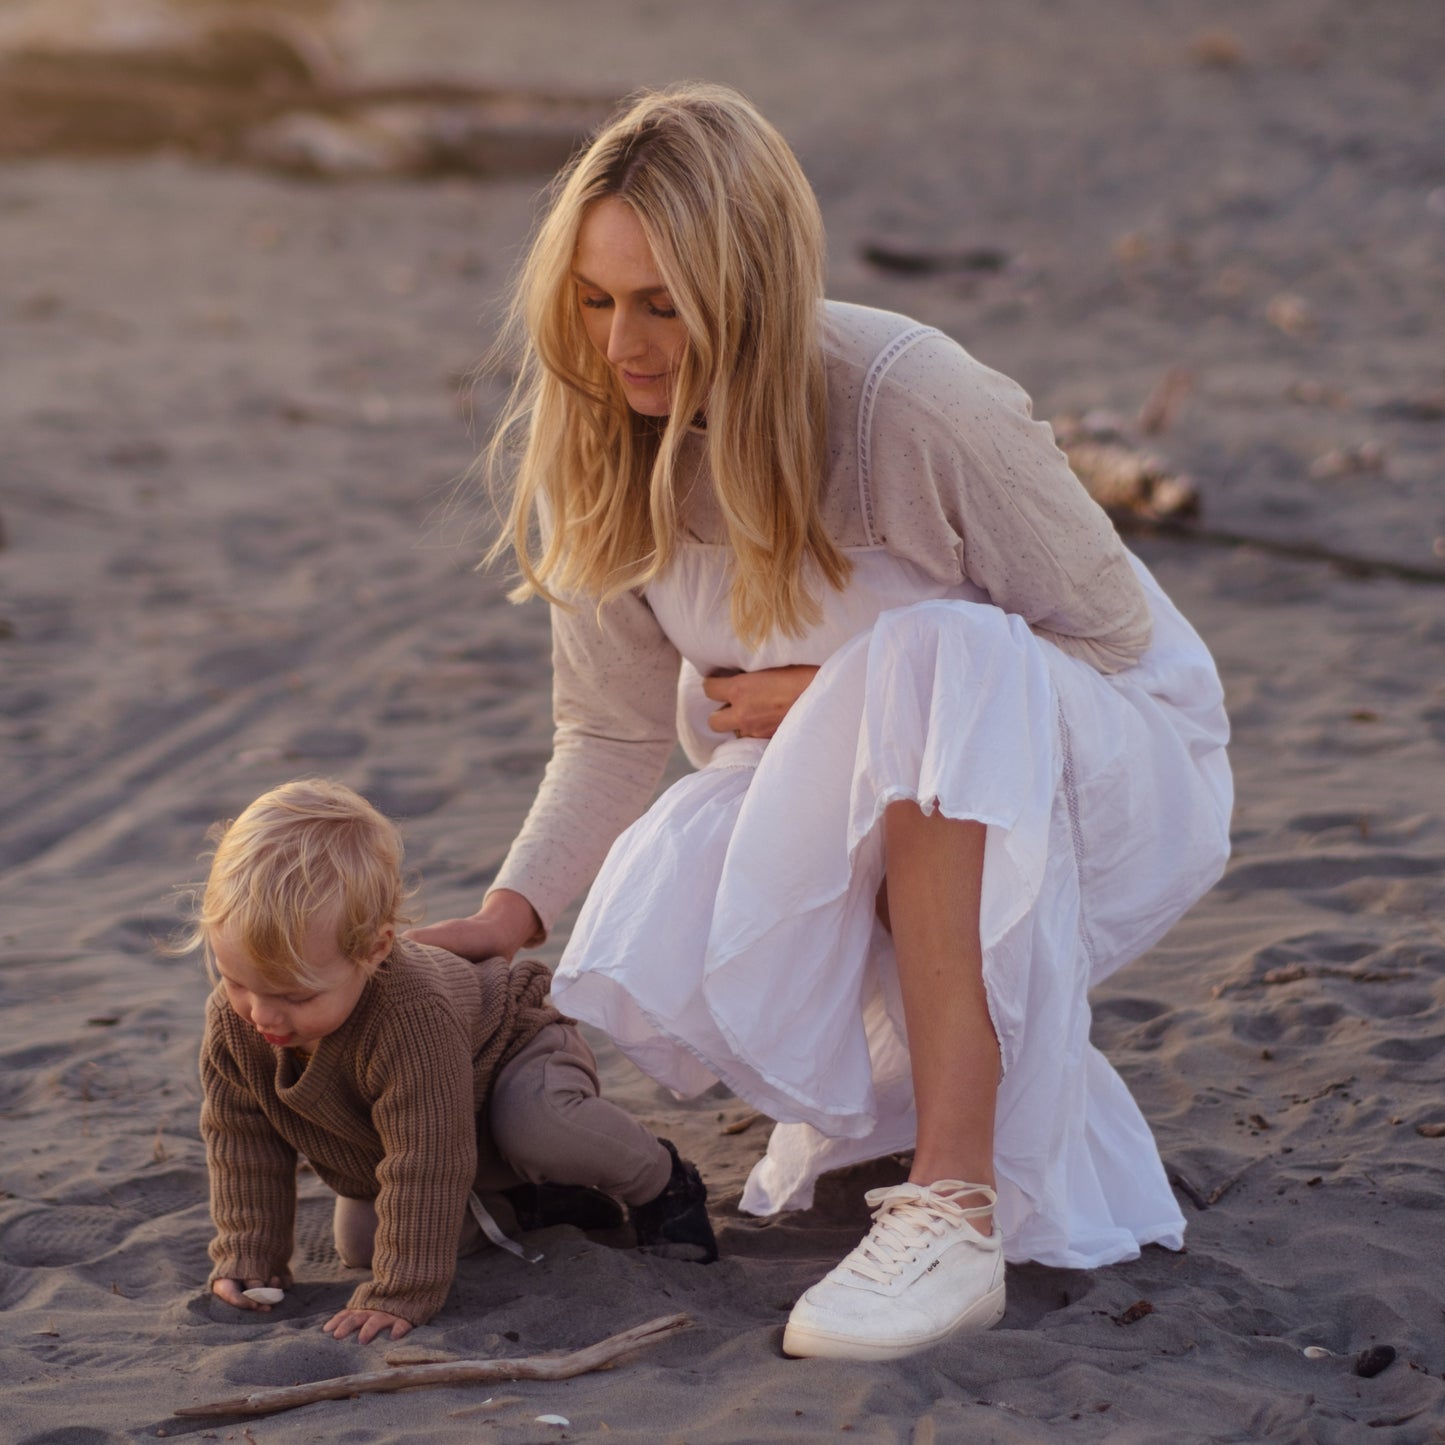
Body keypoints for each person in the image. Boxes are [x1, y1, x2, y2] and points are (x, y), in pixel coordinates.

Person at [414, 82, 1232, 1361]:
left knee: (932, 655)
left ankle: (954, 1210)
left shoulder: (910, 402)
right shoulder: (601, 438)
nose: (620, 341)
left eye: (661, 302)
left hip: (1111, 767)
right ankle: (935, 1100)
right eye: (592, 297)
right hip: (880, 801)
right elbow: (616, 734)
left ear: (745, 290)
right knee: (820, 703)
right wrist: (505, 915)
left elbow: (1110, 643)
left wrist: (836, 694)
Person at [187, 778, 717, 1345]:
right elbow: (241, 1136)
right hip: (421, 1129)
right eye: (237, 981)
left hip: (511, 1061)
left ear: (375, 950)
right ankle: (529, 1204)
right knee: (365, 1243)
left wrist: (402, 1292)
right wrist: (249, 1252)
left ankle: (661, 1182)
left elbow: (427, 1158)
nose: (262, 1015)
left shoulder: (410, 1014)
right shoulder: (234, 1022)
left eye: (296, 997)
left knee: (540, 1126)